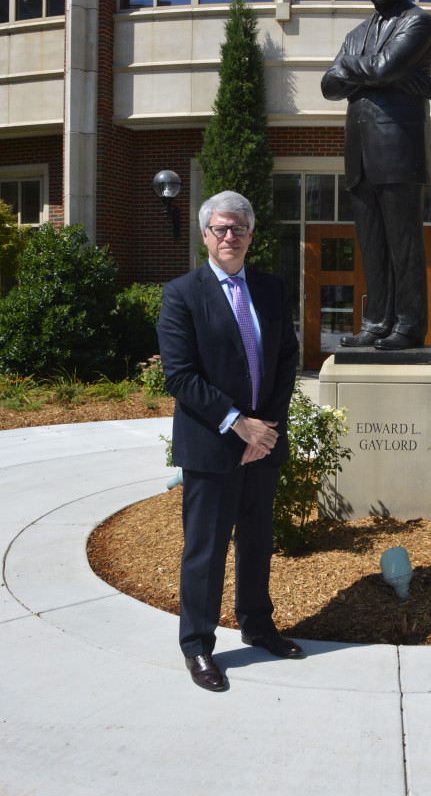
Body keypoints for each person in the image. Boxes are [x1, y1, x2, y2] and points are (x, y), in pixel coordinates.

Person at [157, 190, 301, 692]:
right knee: (206, 550)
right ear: (205, 236)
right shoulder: (182, 293)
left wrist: (265, 431)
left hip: (263, 443)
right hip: (213, 445)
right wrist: (239, 423)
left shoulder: (271, 288)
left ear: (251, 235)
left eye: (238, 228)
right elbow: (180, 375)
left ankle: (258, 626)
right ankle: (197, 645)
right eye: (220, 228)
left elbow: (287, 362)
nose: (230, 236)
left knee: (258, 542)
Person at [321, 0, 431, 350]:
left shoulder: (417, 22)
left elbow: (382, 68)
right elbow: (329, 86)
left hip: (400, 150)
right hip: (360, 154)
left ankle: (408, 326)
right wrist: (372, 71)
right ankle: (376, 322)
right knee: (372, 247)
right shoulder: (355, 34)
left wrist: (354, 69)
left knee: (405, 246)